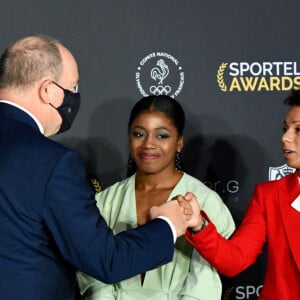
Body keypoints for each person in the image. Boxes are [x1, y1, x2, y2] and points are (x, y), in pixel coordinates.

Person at [0, 35, 192, 300]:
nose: (75, 98)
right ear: (48, 91)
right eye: (73, 87)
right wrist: (168, 223)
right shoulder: (53, 163)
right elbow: (106, 260)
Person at [77, 95, 236, 300]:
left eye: (162, 135)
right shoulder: (104, 202)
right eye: (139, 134)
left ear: (179, 142)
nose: (148, 144)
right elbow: (93, 274)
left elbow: (203, 280)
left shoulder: (205, 202)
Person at [184, 89, 300, 299]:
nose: (285, 137)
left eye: (298, 130)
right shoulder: (269, 196)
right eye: (285, 128)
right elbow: (234, 261)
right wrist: (199, 226)